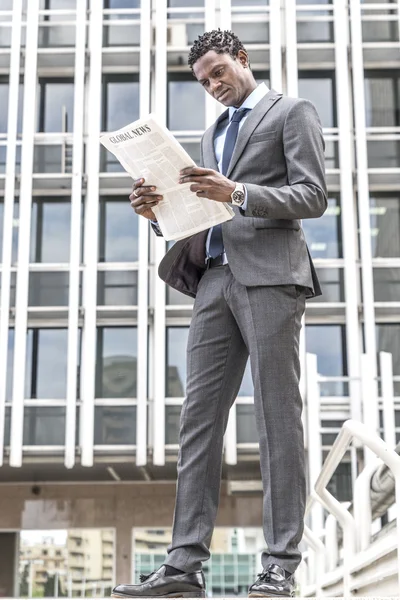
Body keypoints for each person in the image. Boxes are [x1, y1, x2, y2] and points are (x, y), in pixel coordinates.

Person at [112, 29, 327, 599]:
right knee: (197, 422)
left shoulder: (291, 112)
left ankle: (280, 563)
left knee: (279, 420)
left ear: (242, 59)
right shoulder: (213, 133)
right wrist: (157, 213)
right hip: (214, 280)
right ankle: (184, 566)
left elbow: (312, 196)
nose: (212, 86)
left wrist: (235, 192)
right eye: (203, 81)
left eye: (217, 73)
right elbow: (204, 210)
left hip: (270, 277)